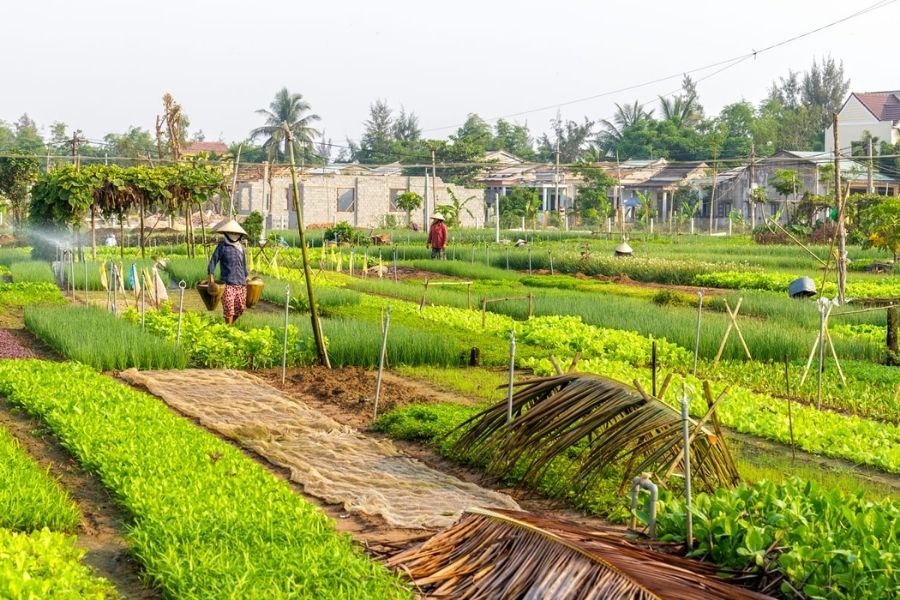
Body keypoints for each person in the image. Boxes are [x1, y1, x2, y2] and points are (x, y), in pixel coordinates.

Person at [208, 219, 248, 325]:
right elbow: (213, 260)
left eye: (236, 233)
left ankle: (230, 326)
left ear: (240, 235)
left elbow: (243, 265)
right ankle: (228, 329)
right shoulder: (222, 247)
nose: (234, 235)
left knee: (240, 309)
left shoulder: (241, 248)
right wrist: (210, 275)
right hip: (227, 284)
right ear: (226, 233)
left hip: (241, 283)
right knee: (229, 309)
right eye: (232, 233)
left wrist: (246, 277)